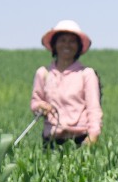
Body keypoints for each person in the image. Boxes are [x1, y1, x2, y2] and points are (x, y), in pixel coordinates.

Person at [30, 20, 103, 148]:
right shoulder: (44, 73)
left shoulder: (86, 74)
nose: (67, 45)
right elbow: (35, 103)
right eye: (62, 40)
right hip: (51, 141)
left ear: (78, 46)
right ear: (55, 44)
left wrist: (93, 136)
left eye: (72, 41)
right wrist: (41, 106)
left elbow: (94, 109)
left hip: (80, 140)